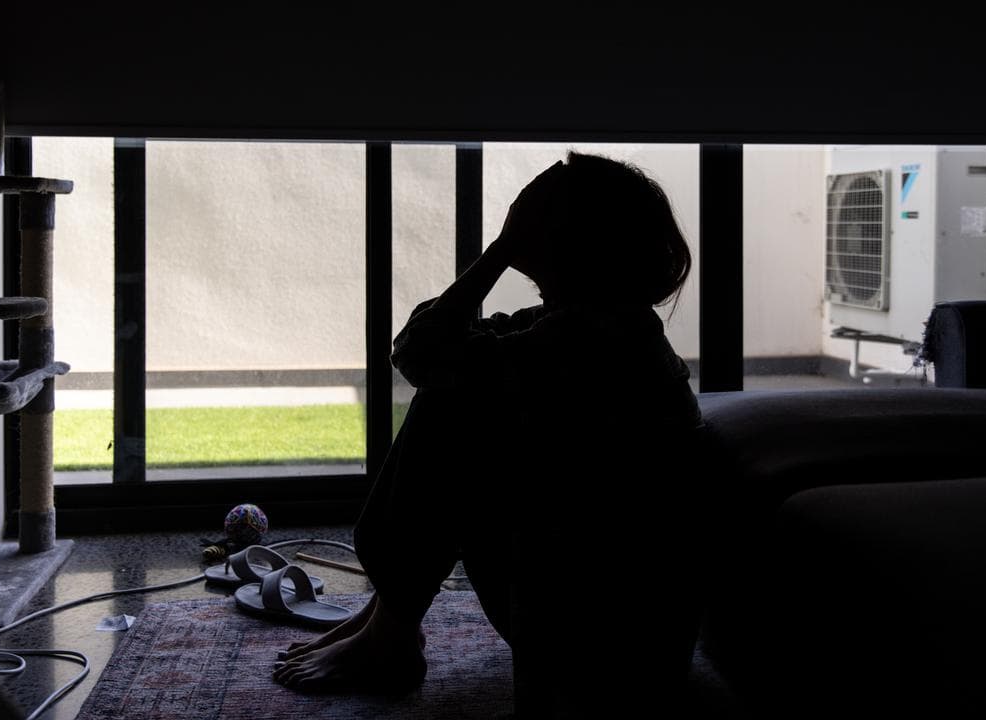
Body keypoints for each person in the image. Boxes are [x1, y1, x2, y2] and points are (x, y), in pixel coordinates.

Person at [272, 152, 708, 715]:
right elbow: (429, 347)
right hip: (630, 632)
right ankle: (389, 614)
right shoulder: (602, 329)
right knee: (460, 388)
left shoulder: (584, 346)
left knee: (450, 405)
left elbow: (421, 354)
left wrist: (498, 252)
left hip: (602, 645)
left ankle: (393, 628)